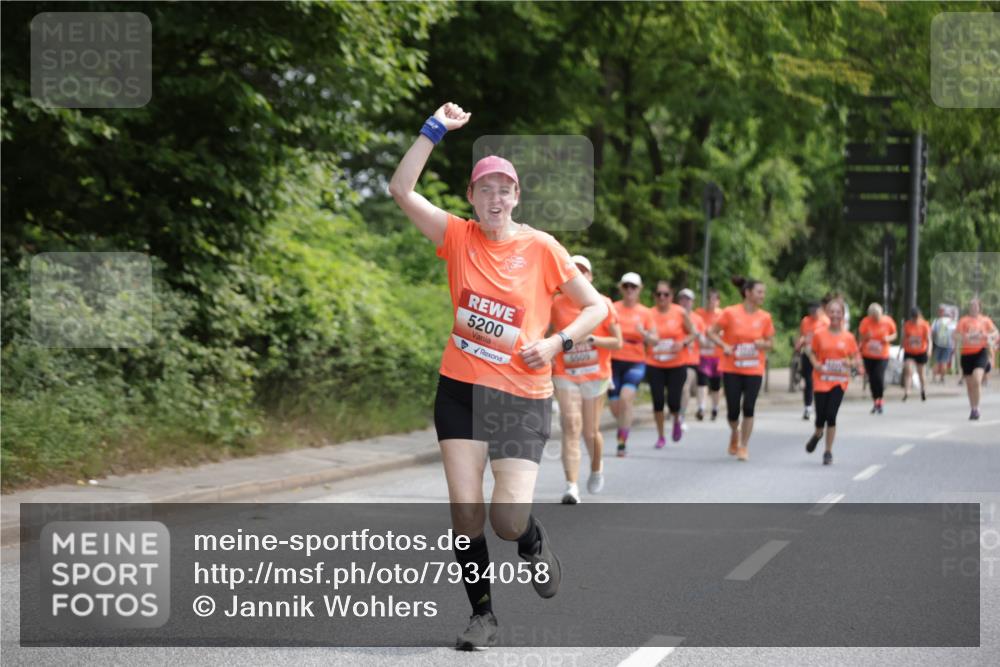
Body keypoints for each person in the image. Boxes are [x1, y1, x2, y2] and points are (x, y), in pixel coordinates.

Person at [389, 102, 608, 650]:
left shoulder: (541, 247)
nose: (495, 198)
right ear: (472, 197)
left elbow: (596, 307)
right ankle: (482, 615)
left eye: (504, 189)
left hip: (521, 395)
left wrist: (558, 342)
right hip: (460, 390)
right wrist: (433, 129)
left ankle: (532, 542)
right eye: (485, 189)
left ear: (516, 197)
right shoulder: (457, 237)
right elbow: (401, 189)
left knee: (507, 519)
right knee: (466, 512)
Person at [550, 255, 623, 504]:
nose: (579, 275)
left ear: (590, 277)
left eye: (584, 272)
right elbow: (544, 332)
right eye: (574, 271)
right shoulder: (555, 304)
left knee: (590, 432)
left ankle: (596, 467)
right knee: (571, 425)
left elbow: (618, 342)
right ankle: (571, 486)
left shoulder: (603, 303)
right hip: (565, 373)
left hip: (595, 374)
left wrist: (594, 340)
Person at [706, 276, 776, 461]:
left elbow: (771, 343)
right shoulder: (730, 313)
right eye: (759, 292)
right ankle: (734, 432)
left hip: (754, 368)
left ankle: (743, 446)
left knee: (749, 407)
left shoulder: (765, 317)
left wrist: (763, 343)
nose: (763, 295)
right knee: (732, 411)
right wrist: (724, 346)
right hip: (732, 368)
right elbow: (710, 332)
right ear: (748, 293)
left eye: (763, 292)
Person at [804, 297, 863, 465]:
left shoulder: (848, 337)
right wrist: (817, 365)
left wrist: (849, 362)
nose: (835, 315)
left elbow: (857, 358)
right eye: (832, 311)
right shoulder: (819, 334)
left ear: (843, 315)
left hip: (839, 381)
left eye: (839, 312)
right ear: (827, 313)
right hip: (822, 380)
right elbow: (811, 352)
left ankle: (828, 451)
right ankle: (817, 434)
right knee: (820, 417)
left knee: (831, 415)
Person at [645, 281, 695, 446]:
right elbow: (644, 336)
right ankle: (660, 436)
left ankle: (676, 420)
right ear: (654, 296)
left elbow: (693, 333)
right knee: (658, 401)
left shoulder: (679, 312)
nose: (662, 297)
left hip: (676, 364)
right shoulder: (649, 313)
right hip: (655, 363)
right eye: (659, 294)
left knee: (674, 401)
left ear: (671, 296)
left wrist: (683, 343)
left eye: (665, 294)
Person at [609, 272, 654, 457]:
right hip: (612, 361)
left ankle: (622, 442)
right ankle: (624, 424)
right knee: (616, 408)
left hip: (635, 361)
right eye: (626, 286)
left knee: (626, 398)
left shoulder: (645, 312)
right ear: (621, 288)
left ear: (639, 289)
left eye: (633, 287)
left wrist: (644, 334)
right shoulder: (612, 307)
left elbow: (655, 339)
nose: (629, 290)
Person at [954, 297, 998, 420]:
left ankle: (977, 408)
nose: (973, 308)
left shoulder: (985, 320)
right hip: (967, 354)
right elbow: (955, 335)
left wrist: (988, 335)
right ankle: (973, 408)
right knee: (969, 385)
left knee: (976, 379)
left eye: (975, 306)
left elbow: (996, 332)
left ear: (979, 307)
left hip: (980, 352)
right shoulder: (964, 320)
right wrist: (964, 336)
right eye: (971, 306)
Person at [858, 302, 897, 415]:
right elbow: (860, 337)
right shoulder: (865, 322)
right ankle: (875, 401)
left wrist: (887, 338)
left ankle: (880, 399)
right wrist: (866, 337)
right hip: (868, 355)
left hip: (882, 355)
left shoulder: (888, 321)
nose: (875, 319)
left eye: (877, 317)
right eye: (873, 317)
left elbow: (895, 334)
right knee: (872, 379)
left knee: (878, 377)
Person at [795, 302, 830, 420]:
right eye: (811, 311)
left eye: (815, 311)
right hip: (808, 353)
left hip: (822, 355)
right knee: (808, 381)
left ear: (820, 310)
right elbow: (803, 335)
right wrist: (800, 342)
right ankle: (808, 407)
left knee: (821, 381)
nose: (813, 313)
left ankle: (823, 405)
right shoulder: (805, 321)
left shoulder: (826, 321)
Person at [675, 288, 702, 430]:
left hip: (691, 360)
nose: (685, 302)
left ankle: (681, 416)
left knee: (685, 387)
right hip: (672, 359)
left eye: (688, 299)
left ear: (692, 302)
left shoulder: (698, 319)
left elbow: (703, 340)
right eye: (682, 299)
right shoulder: (672, 315)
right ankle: (675, 411)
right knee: (674, 388)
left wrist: (694, 338)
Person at [694, 288, 724, 421]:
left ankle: (715, 408)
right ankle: (701, 407)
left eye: (714, 299)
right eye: (709, 299)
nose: (711, 302)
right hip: (703, 354)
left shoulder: (722, 315)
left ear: (718, 301)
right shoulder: (699, 313)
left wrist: (716, 337)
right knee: (702, 382)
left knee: (716, 385)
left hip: (717, 355)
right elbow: (695, 330)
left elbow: (725, 332)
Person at [901, 306, 931, 401]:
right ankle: (907, 391)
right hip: (909, 351)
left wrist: (929, 350)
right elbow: (903, 338)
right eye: (913, 317)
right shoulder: (907, 325)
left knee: (921, 373)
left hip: (921, 351)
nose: (915, 319)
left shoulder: (924, 325)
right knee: (908, 370)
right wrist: (900, 350)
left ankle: (923, 390)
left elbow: (929, 340)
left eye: (916, 317)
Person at [931, 304, 955, 384]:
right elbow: (954, 334)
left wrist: (933, 342)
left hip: (938, 344)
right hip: (948, 344)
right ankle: (942, 378)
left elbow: (932, 332)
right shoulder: (951, 322)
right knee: (944, 361)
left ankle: (934, 378)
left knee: (937, 361)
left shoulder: (937, 321)